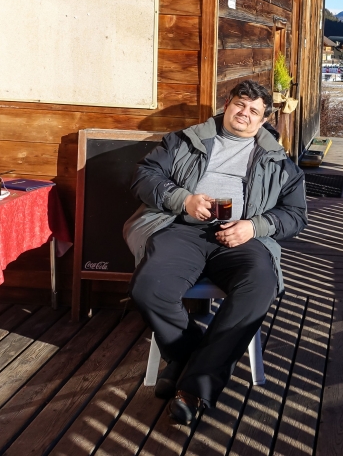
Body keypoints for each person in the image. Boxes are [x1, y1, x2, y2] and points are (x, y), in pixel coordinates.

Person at [124, 79, 307, 424]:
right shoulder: (184, 140)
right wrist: (183, 200)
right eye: (240, 104)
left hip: (241, 237)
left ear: (264, 119)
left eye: (253, 110)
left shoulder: (279, 161)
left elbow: (296, 215)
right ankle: (193, 357)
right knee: (149, 288)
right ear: (227, 104)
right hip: (182, 229)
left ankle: (194, 388)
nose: (244, 113)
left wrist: (253, 226)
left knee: (259, 286)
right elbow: (144, 176)